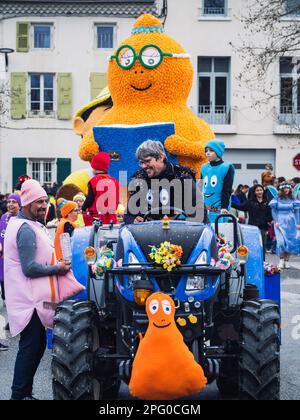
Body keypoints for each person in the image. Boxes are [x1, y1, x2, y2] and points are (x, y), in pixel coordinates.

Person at [4, 179, 70, 400]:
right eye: (39, 202)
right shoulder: (25, 229)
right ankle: (19, 394)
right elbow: (29, 268)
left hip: (31, 298)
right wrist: (57, 268)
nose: (44, 206)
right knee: (30, 347)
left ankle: (23, 393)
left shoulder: (28, 224)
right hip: (28, 300)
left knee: (36, 345)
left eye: (45, 201)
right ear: (27, 203)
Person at [124, 140, 199, 224]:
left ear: (161, 157)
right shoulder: (139, 179)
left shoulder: (182, 176)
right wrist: (133, 220)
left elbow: (198, 214)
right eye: (141, 162)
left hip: (178, 233)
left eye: (148, 161)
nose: (143, 166)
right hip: (147, 233)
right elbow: (129, 215)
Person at [231, 184, 273, 259]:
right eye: (257, 190)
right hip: (252, 227)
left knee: (262, 246)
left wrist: (268, 220)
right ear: (254, 192)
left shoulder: (267, 202)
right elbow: (241, 207)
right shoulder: (250, 202)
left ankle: (262, 263)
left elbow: (270, 215)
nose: (259, 192)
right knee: (253, 246)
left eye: (261, 190)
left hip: (263, 228)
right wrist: (229, 203)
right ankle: (252, 261)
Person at [82, 152, 120, 226]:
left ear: (95, 167)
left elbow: (90, 199)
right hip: (111, 218)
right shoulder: (115, 181)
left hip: (97, 218)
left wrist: (83, 208)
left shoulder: (93, 181)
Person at [201, 140, 235, 222]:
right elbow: (200, 188)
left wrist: (224, 207)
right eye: (206, 151)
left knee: (219, 233)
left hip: (219, 212)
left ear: (218, 152)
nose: (207, 153)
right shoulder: (204, 167)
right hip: (204, 210)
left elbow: (227, 189)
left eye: (211, 150)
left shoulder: (227, 167)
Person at [269, 182, 300, 269]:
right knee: (281, 242)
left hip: (291, 221)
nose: (287, 190)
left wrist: (298, 223)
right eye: (285, 188)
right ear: (281, 189)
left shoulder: (293, 199)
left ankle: (287, 261)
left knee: (290, 242)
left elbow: (297, 212)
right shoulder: (277, 198)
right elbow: (273, 211)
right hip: (280, 221)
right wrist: (276, 221)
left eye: (288, 188)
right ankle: (281, 260)